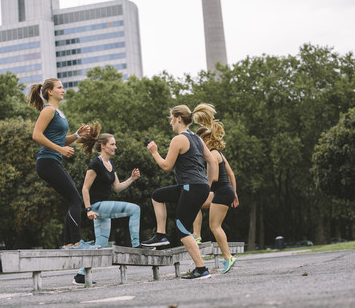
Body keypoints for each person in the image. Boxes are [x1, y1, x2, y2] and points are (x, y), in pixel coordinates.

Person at [141, 104, 216, 280]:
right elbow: (211, 162)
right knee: (158, 196)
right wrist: (208, 186)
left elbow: (166, 166)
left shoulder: (179, 139)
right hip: (196, 186)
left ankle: (201, 269)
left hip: (192, 186)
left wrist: (154, 153)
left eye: (171, 119)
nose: (170, 123)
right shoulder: (197, 139)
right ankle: (160, 235)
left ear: (179, 118)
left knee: (182, 229)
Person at [73, 122, 153, 284]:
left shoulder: (110, 164)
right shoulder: (95, 164)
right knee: (134, 209)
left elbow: (117, 187)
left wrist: (132, 178)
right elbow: (85, 189)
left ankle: (80, 275)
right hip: (97, 206)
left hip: (103, 208)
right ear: (103, 146)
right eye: (112, 144)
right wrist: (88, 209)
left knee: (100, 244)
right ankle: (136, 245)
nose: (115, 147)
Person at [28, 78, 99, 251]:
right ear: (50, 92)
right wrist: (60, 150)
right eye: (59, 87)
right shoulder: (48, 110)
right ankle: (76, 242)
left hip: (53, 161)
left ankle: (69, 243)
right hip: (47, 161)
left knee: (72, 199)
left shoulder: (59, 112)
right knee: (75, 198)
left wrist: (77, 134)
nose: (63, 90)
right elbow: (36, 135)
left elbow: (61, 139)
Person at [191, 103, 239, 274]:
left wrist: (202, 182)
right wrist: (235, 194)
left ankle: (228, 257)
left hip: (221, 192)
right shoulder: (218, 153)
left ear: (204, 141)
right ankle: (196, 236)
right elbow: (231, 175)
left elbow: (217, 177)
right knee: (194, 203)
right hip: (225, 192)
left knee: (215, 226)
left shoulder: (213, 154)